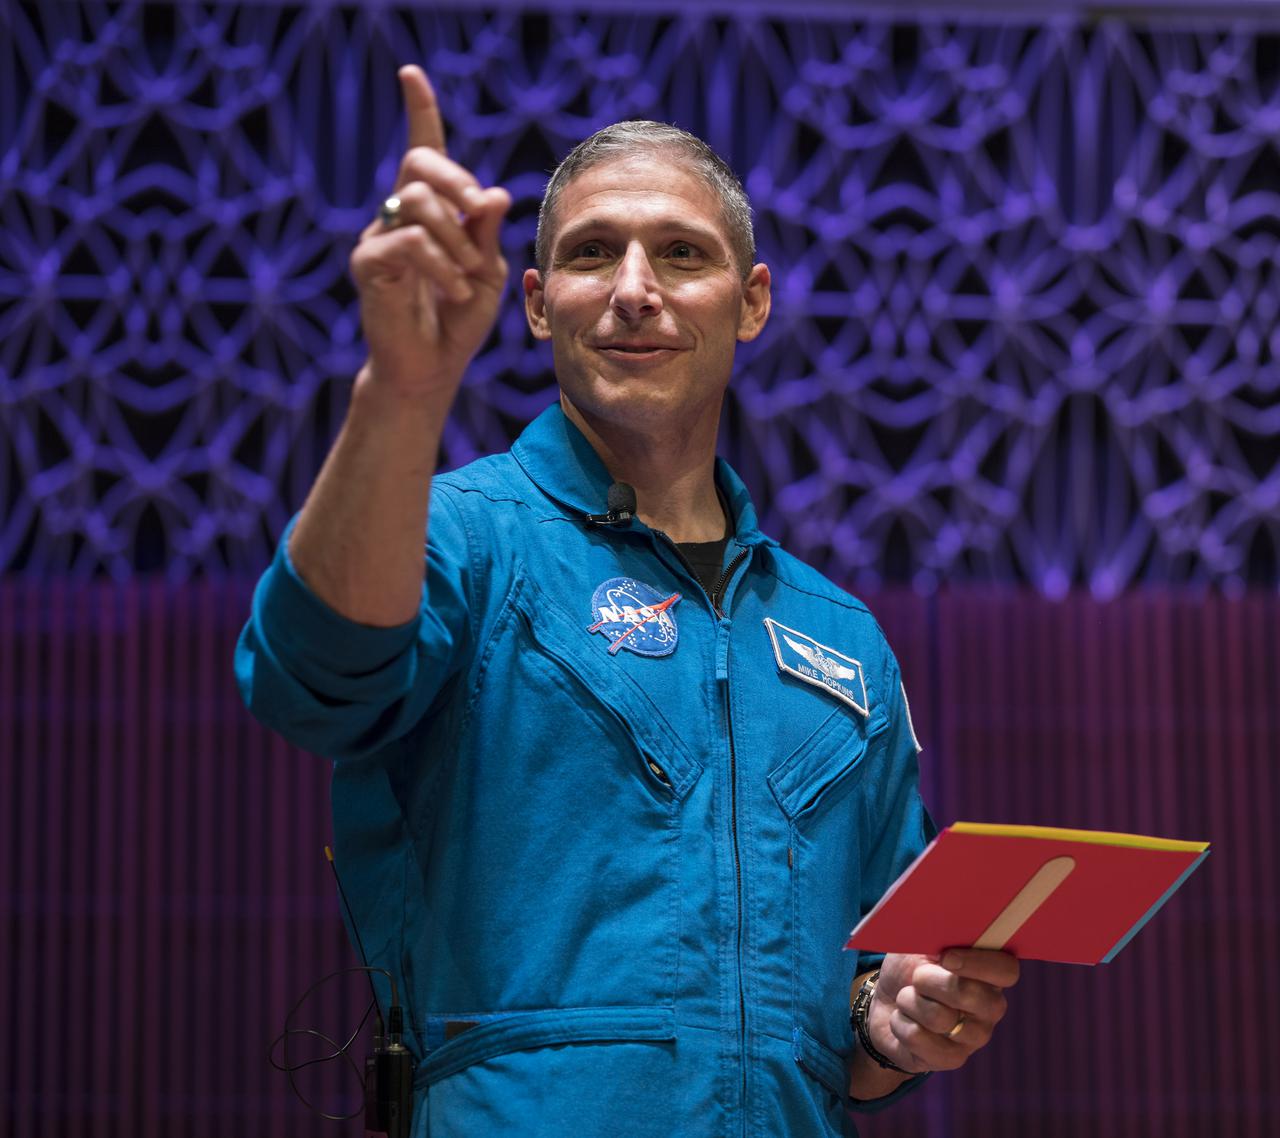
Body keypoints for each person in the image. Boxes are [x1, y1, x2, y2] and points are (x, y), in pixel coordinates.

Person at [236, 65, 1019, 1137]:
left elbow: (871, 1006)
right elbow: (309, 677)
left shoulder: (842, 637)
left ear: (751, 302)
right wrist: (402, 390)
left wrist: (893, 1020)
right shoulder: (466, 537)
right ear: (534, 302)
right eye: (592, 252)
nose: (634, 288)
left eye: (682, 253)